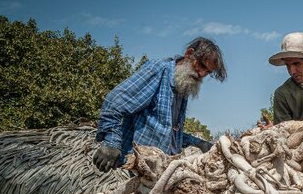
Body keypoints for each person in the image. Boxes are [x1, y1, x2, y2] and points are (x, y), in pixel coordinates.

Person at [93, 37, 227, 172]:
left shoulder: (181, 86)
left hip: (157, 171)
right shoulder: (158, 70)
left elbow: (168, 134)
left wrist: (198, 143)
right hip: (134, 167)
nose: (202, 74)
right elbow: (114, 102)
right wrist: (111, 143)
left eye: (208, 72)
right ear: (189, 54)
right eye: (202, 65)